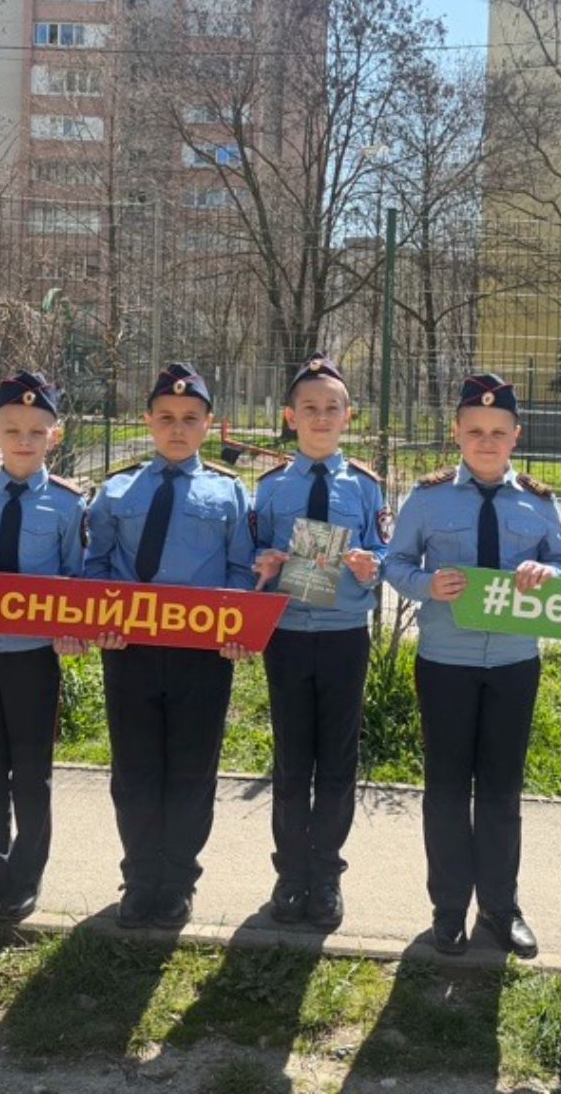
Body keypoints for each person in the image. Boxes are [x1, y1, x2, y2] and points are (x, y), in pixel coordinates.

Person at [381, 373, 561, 959]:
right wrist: (426, 585)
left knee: (501, 790)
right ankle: (447, 909)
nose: (486, 441)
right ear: (457, 434)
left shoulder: (539, 501)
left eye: (497, 431)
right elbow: (395, 563)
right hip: (446, 662)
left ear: (516, 435)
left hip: (514, 662)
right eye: (475, 431)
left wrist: (548, 575)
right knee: (445, 789)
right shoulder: (427, 498)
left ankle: (500, 906)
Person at [83, 363, 255, 930]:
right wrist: (99, 619)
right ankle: (138, 880)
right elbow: (96, 564)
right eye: (166, 418)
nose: (177, 428)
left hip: (201, 656)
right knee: (134, 769)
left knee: (191, 770)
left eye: (189, 418)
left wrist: (235, 628)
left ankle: (178, 880)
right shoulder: (117, 490)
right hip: (129, 648)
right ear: (148, 421)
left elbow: (239, 570)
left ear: (209, 423)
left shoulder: (229, 492)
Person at [250, 354, 388, 932]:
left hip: (342, 636)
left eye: (332, 408)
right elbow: (250, 553)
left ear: (348, 416)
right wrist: (264, 562)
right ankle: (289, 876)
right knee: (291, 757)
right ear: (290, 417)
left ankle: (326, 875)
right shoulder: (268, 488)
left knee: (336, 758)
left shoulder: (366, 486)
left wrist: (370, 565)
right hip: (285, 634)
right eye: (309, 408)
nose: (321, 417)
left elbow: (385, 552)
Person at [0, 372, 87, 923]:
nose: (23, 440)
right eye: (11, 429)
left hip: (34, 656)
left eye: (35, 430)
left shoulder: (70, 506)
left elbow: (76, 580)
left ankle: (26, 876)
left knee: (31, 771)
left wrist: (73, 629)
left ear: (55, 435)